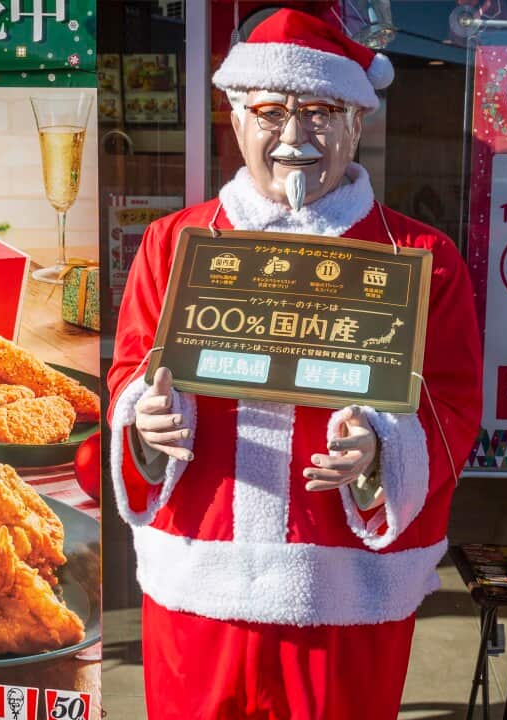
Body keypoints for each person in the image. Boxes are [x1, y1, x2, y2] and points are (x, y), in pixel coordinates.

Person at [107, 9, 483, 719]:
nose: (293, 137)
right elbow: (130, 370)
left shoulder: (421, 259)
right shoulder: (174, 242)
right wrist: (142, 422)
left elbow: (454, 407)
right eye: (270, 112)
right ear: (236, 120)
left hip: (343, 595)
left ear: (357, 122)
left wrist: (382, 451)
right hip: (200, 583)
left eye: (319, 112)